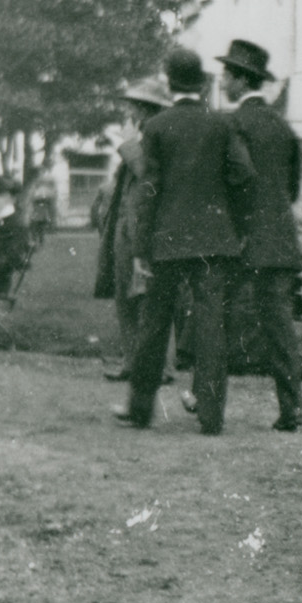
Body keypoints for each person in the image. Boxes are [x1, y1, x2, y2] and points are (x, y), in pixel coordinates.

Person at [116, 47, 255, 436]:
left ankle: (140, 409)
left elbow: (149, 189)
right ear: (202, 81)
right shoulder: (222, 124)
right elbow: (243, 175)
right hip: (215, 241)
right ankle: (212, 416)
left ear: (169, 80)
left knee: (154, 324)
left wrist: (142, 248)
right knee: (211, 326)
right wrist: (236, 225)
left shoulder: (157, 127)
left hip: (167, 242)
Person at [219, 39, 302, 432]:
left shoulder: (233, 124)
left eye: (226, 74)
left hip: (239, 240)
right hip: (281, 242)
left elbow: (232, 184)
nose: (222, 81)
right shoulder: (284, 129)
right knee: (280, 329)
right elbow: (292, 190)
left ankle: (204, 397)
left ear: (240, 80)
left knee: (214, 318)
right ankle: (292, 410)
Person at [94, 74, 171, 379]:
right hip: (125, 225)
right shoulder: (139, 133)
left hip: (146, 226)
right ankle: (132, 362)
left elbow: (145, 173)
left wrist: (127, 144)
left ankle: (160, 367)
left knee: (149, 297)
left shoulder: (157, 135)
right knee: (124, 297)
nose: (130, 112)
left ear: (147, 107)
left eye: (135, 106)